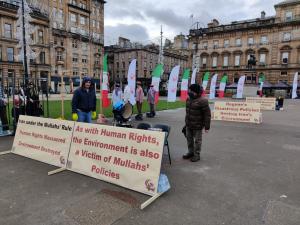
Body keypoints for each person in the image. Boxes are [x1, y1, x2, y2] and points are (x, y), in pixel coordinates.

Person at [183, 84, 211, 162]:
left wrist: (207, 127)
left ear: (196, 92)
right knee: (189, 139)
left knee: (197, 141)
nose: (189, 92)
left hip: (198, 125)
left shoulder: (203, 101)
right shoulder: (188, 99)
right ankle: (190, 152)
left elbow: (207, 115)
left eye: (191, 90)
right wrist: (186, 123)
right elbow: (187, 112)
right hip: (188, 124)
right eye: (189, 90)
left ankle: (197, 155)